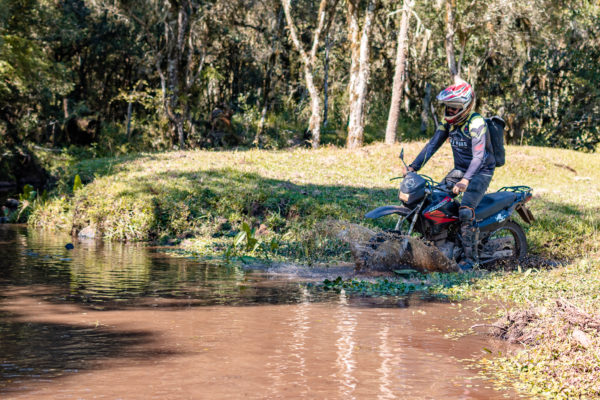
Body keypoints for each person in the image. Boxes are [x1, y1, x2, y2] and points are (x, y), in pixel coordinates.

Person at [402, 79, 495, 270]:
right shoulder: (448, 123)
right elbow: (433, 144)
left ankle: (470, 260)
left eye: (454, 107)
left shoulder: (476, 123)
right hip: (460, 169)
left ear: (466, 106)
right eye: (448, 107)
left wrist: (465, 180)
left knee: (465, 211)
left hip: (480, 171)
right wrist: (413, 167)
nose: (450, 111)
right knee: (434, 201)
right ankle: (439, 243)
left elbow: (478, 157)